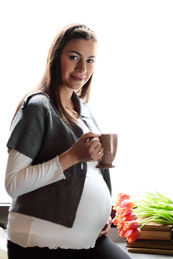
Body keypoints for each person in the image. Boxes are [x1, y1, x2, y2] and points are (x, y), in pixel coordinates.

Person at [5, 24, 131, 259]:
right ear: (56, 57)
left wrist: (104, 215)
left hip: (89, 240)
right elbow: (14, 184)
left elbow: (91, 174)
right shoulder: (37, 107)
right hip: (40, 243)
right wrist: (72, 156)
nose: (82, 68)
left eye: (90, 60)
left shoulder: (85, 111)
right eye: (74, 57)